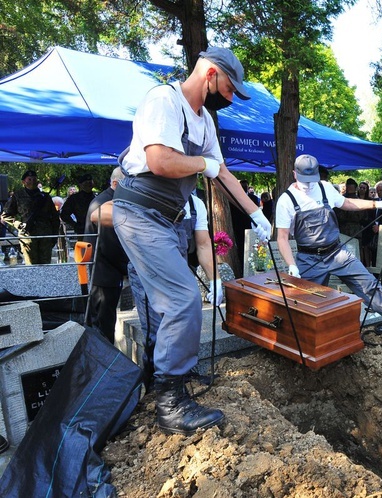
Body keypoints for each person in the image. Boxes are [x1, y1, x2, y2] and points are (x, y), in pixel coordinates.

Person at [112, 46, 272, 435]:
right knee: (183, 298)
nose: (231, 99)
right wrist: (203, 163)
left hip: (166, 219)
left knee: (172, 300)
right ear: (211, 74)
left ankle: (169, 381)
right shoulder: (164, 100)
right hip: (139, 213)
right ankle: (169, 405)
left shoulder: (205, 122)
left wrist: (255, 212)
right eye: (231, 89)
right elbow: (161, 162)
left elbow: (224, 173)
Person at [276, 154, 382, 329]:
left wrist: (376, 205)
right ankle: (301, 341)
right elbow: (282, 237)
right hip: (309, 259)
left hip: (336, 253)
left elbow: (347, 203)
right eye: (305, 180)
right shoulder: (286, 200)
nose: (308, 185)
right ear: (295, 174)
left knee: (368, 284)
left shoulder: (325, 187)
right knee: (304, 304)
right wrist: (291, 264)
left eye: (312, 180)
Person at [129, 192, 223, 387]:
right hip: (149, 275)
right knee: (156, 332)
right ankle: (158, 388)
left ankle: (184, 377)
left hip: (178, 274)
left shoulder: (195, 204)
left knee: (185, 326)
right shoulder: (147, 194)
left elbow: (204, 245)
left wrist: (215, 280)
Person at [84, 167, 129, 343]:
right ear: (116, 184)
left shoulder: (107, 199)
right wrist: (128, 268)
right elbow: (110, 245)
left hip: (104, 271)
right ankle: (106, 364)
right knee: (103, 325)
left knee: (104, 321)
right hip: (104, 273)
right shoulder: (104, 204)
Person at [1, 170, 59, 264]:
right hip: (27, 237)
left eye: (34, 179)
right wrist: (19, 224)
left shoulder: (45, 197)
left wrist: (54, 236)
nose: (32, 181)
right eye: (29, 179)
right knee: (31, 267)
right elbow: (5, 215)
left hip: (45, 237)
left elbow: (55, 218)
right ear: (23, 182)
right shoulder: (18, 196)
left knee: (46, 266)